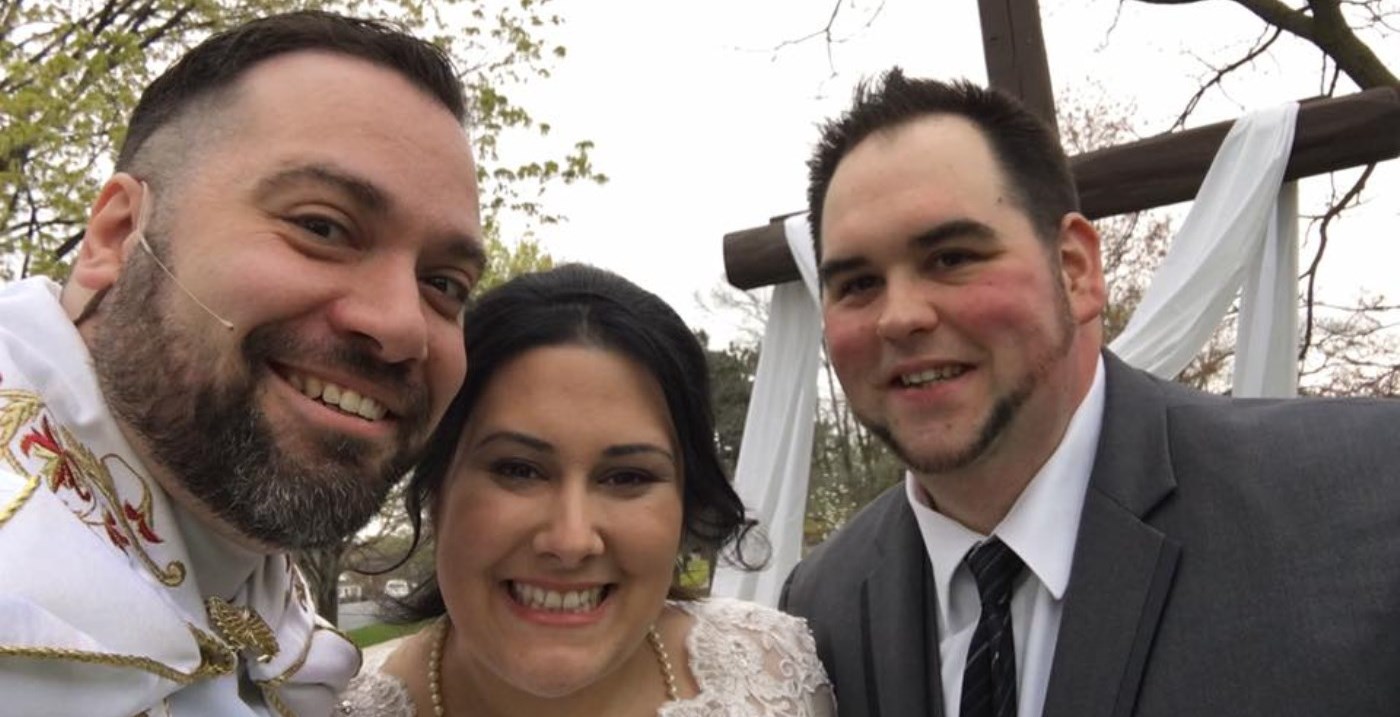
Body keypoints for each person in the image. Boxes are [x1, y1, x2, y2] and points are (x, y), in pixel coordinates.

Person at [780, 67, 1400, 717]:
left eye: (952, 257)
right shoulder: (819, 607)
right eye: (856, 284)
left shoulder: (1365, 500)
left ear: (1075, 269)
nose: (900, 315)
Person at [0, 11, 484, 715]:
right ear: (114, 236)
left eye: (444, 285)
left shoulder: (270, 621)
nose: (402, 327)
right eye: (321, 227)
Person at [341, 264, 835, 716]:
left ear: (687, 502)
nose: (571, 541)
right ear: (435, 486)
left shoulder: (779, 675)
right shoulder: (320, 707)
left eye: (628, 478)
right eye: (519, 469)